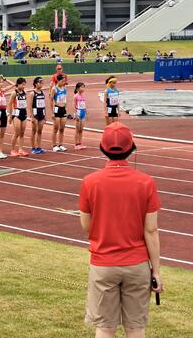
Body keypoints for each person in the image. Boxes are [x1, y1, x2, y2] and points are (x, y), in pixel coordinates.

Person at [79, 122, 163, 338]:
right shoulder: (146, 182)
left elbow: (86, 226)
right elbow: (151, 230)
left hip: (103, 263)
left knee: (105, 328)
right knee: (135, 328)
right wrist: (156, 271)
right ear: (131, 148)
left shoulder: (90, 182)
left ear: (102, 148)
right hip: (136, 264)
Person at [0, 75, 15, 159]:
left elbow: (13, 84)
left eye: (2, 82)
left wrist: (5, 79)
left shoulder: (2, 91)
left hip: (4, 113)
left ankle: (0, 151)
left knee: (2, 134)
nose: (1, 83)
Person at [8, 78, 29, 157]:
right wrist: (10, 116)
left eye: (24, 85)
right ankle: (13, 150)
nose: (24, 86)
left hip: (24, 113)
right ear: (18, 84)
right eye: (22, 85)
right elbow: (10, 104)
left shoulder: (24, 92)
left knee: (22, 133)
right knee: (17, 133)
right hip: (16, 114)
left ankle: (20, 149)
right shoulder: (14, 93)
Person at [29, 77, 46, 154]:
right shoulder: (32, 93)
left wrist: (45, 115)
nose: (41, 84)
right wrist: (32, 116)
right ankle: (33, 148)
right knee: (34, 131)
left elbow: (44, 105)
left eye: (42, 83)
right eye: (40, 83)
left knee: (40, 131)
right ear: (36, 84)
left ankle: (39, 147)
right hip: (35, 114)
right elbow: (30, 105)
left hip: (41, 114)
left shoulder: (43, 93)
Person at [51, 74, 67, 153]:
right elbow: (51, 100)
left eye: (64, 81)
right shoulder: (54, 89)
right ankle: (54, 145)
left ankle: (61, 144)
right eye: (62, 81)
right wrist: (52, 112)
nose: (64, 83)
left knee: (62, 128)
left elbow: (65, 99)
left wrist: (66, 109)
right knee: (55, 128)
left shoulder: (64, 88)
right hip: (57, 109)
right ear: (58, 81)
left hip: (63, 109)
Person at [74, 82, 87, 150]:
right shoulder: (76, 96)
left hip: (83, 112)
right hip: (78, 112)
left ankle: (80, 143)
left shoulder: (83, 95)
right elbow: (74, 106)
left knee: (81, 129)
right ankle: (76, 144)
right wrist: (76, 114)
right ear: (77, 88)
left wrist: (85, 111)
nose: (83, 88)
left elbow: (84, 104)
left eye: (84, 87)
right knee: (77, 129)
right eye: (82, 87)